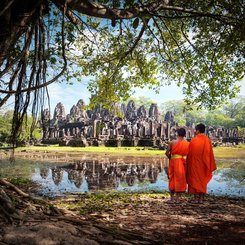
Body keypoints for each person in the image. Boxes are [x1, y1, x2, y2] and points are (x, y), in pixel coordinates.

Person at [186, 123, 216, 204]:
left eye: (195, 130)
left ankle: (195, 199)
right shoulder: (207, 140)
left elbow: (190, 154)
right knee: (202, 181)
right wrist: (209, 164)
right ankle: (201, 199)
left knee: (194, 180)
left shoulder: (193, 140)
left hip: (194, 164)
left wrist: (188, 164)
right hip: (204, 164)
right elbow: (209, 153)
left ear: (198, 131)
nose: (195, 132)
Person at [165, 128, 189, 203]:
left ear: (177, 134)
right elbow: (188, 154)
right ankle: (178, 199)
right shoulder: (187, 143)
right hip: (181, 162)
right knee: (180, 179)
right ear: (185, 135)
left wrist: (171, 158)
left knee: (172, 178)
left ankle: (172, 199)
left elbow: (167, 153)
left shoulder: (172, 142)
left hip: (173, 161)